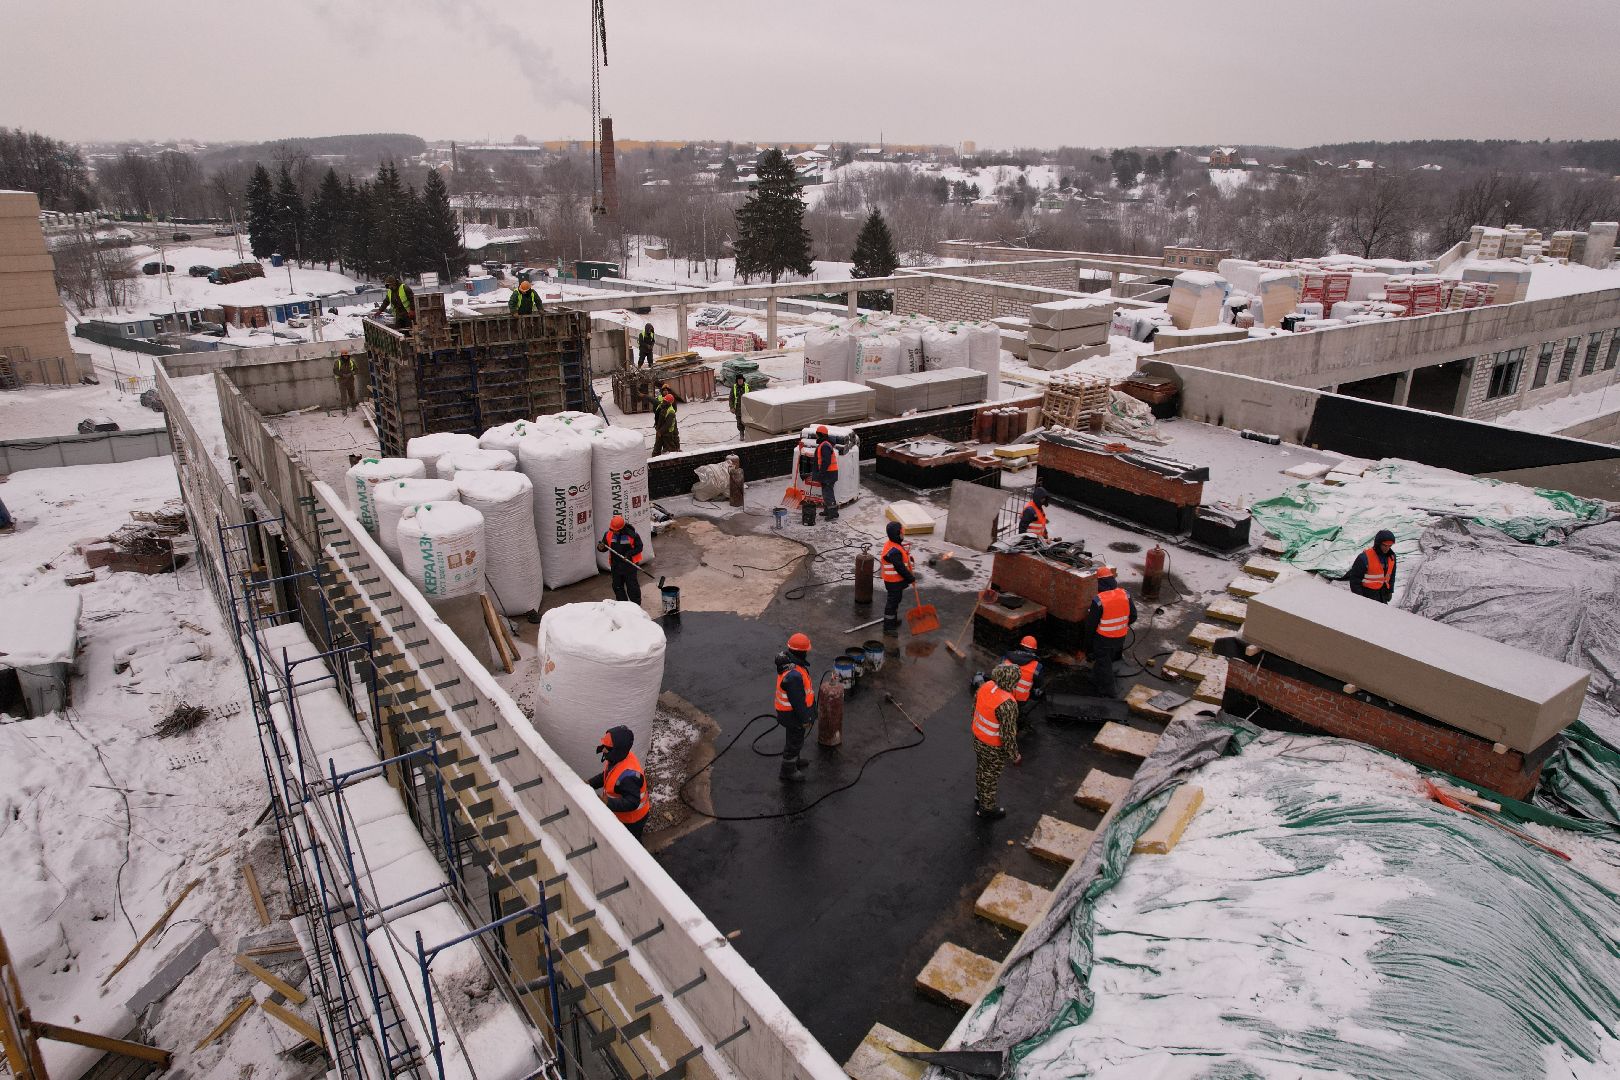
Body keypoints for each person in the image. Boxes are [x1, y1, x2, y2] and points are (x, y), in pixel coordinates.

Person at [971, 662, 1023, 820]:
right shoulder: (1007, 704)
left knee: (982, 769)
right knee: (990, 776)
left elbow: (974, 708)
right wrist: (1015, 755)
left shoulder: (985, 686)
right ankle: (987, 810)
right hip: (993, 747)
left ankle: (981, 796)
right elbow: (1007, 734)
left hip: (978, 738)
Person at [1081, 566, 1136, 697]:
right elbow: (1133, 616)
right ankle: (1095, 678)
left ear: (1099, 583)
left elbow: (1090, 627)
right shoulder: (1125, 594)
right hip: (1120, 637)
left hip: (1104, 639)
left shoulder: (1099, 601)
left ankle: (1109, 693)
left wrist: (1087, 647)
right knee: (1105, 660)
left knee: (1104, 663)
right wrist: (1120, 625)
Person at [588, 725, 650, 841]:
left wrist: (608, 802)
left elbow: (632, 802)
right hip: (621, 816)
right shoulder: (616, 759)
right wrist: (589, 783)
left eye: (607, 747)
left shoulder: (629, 776)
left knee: (631, 846)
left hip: (632, 820)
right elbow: (606, 776)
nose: (604, 750)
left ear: (618, 750)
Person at [774, 634, 816, 783]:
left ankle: (794, 760)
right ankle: (788, 770)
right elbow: (798, 702)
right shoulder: (794, 675)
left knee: (794, 738)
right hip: (793, 715)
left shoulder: (792, 665)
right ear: (802, 652)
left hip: (789, 713)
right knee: (794, 741)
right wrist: (806, 718)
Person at [597, 514, 644, 605]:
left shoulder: (632, 535)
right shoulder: (608, 534)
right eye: (613, 530)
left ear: (622, 528)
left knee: (632, 586)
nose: (614, 532)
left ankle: (636, 606)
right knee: (617, 586)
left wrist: (628, 554)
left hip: (629, 565)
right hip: (615, 565)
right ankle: (623, 606)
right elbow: (604, 547)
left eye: (616, 531)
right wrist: (600, 547)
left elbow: (639, 547)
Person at [879, 520, 915, 635]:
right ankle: (888, 627)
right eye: (901, 532)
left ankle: (892, 621)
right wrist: (910, 578)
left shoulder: (893, 544)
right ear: (896, 534)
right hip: (893, 582)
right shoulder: (894, 551)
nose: (903, 534)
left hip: (895, 582)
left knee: (896, 601)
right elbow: (900, 568)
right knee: (892, 603)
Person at [1345, 529, 1398, 603]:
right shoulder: (1364, 557)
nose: (1387, 548)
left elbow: (1391, 575)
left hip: (1382, 594)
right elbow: (1355, 579)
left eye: (1390, 546)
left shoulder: (1392, 557)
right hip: (1367, 595)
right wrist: (1359, 598)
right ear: (1378, 544)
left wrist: (1390, 591)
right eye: (1385, 545)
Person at [1001, 635, 1044, 721]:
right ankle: (1017, 716)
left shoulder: (1006, 658)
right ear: (1034, 650)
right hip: (1019, 700)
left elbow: (998, 674)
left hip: (1002, 695)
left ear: (1021, 646)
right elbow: (1038, 684)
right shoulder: (1037, 667)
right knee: (1037, 691)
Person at [812, 425, 840, 521]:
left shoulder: (824, 445)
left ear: (820, 434)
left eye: (817, 434)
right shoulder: (825, 444)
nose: (815, 436)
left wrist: (821, 473)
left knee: (828, 493)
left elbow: (826, 461)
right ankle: (828, 510)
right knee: (826, 492)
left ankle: (833, 513)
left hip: (828, 473)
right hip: (829, 473)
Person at [652, 387, 680, 455]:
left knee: (671, 448)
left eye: (665, 401)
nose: (663, 402)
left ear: (669, 403)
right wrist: (657, 427)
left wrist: (660, 431)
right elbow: (658, 416)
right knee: (657, 447)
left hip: (667, 433)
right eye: (664, 401)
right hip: (660, 430)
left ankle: (676, 457)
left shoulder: (670, 412)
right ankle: (655, 458)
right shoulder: (662, 407)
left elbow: (668, 424)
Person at [333, 350, 359, 414]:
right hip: (342, 381)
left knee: (352, 394)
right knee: (343, 395)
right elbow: (335, 371)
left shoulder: (351, 362)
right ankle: (344, 409)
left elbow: (356, 370)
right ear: (342, 356)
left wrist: (351, 373)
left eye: (346, 355)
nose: (345, 357)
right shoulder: (337, 362)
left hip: (350, 380)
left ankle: (353, 407)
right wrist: (343, 375)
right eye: (344, 356)